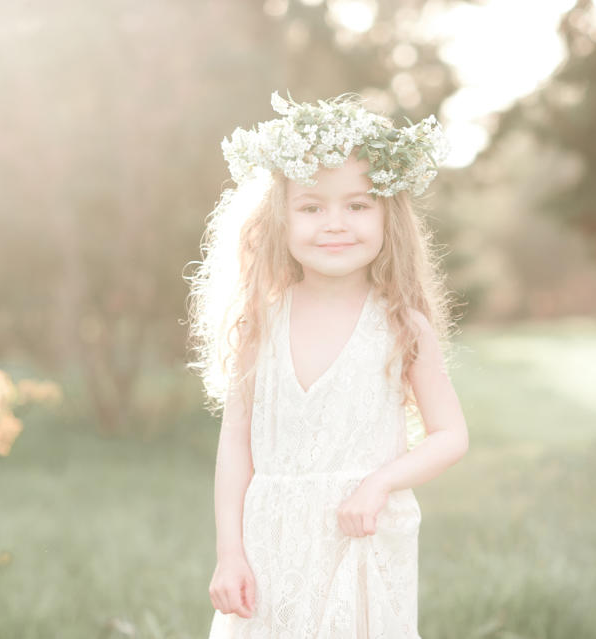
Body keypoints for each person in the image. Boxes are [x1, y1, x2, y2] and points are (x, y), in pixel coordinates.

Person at [185, 91, 469, 638]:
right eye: (312, 207)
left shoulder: (401, 325)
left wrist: (380, 483)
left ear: (388, 215)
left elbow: (450, 435)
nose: (334, 223)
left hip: (361, 538)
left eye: (358, 205)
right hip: (271, 541)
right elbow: (235, 446)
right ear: (279, 219)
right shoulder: (257, 325)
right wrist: (230, 554)